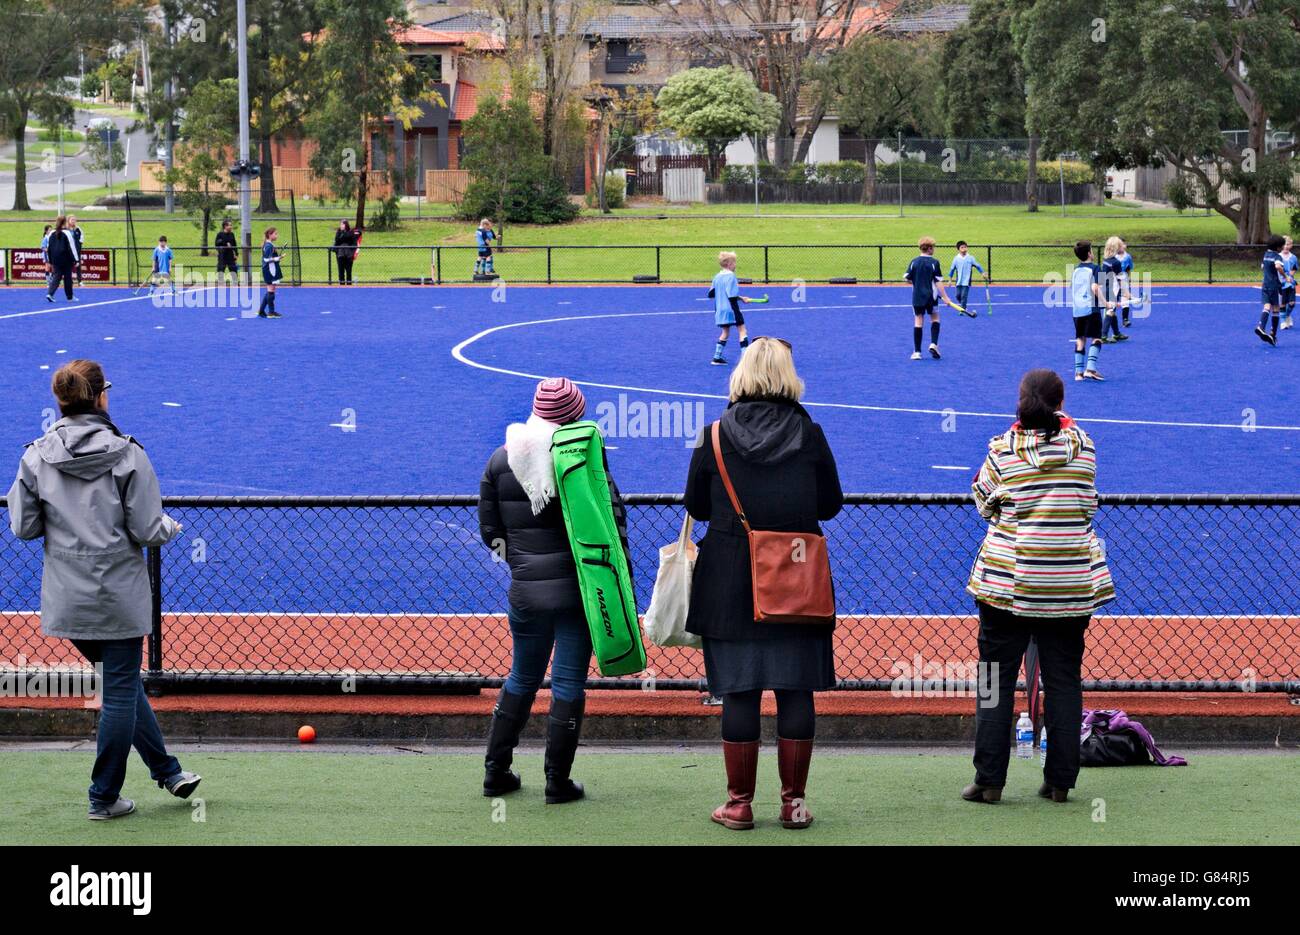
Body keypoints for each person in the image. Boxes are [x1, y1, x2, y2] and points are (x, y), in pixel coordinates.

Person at [6, 360, 200, 820]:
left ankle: (167, 770)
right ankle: (103, 796)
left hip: (68, 595)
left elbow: (23, 526)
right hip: (117, 592)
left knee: (122, 684)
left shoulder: (35, 454)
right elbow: (149, 527)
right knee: (117, 693)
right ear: (99, 397)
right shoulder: (127, 454)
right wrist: (170, 528)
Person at [684, 338, 844, 831]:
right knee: (796, 692)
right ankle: (793, 804)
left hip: (730, 579)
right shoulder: (810, 434)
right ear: (788, 375)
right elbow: (830, 504)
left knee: (738, 693)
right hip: (796, 577)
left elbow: (696, 506)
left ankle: (739, 804)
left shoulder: (713, 436)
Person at [962, 369, 1114, 805]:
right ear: (1061, 402)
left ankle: (989, 779)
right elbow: (1088, 502)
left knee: (994, 679)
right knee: (1064, 680)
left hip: (1007, 583)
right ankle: (1060, 782)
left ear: (1021, 400)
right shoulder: (1084, 447)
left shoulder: (1002, 450)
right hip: (1068, 581)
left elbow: (983, 500)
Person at [477, 377, 630, 805]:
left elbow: (491, 533)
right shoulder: (582, 459)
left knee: (521, 677)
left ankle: (496, 772)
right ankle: (556, 782)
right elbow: (611, 524)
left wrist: (521, 564)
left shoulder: (501, 459)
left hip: (526, 591)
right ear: (573, 416)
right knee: (567, 684)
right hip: (579, 593)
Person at [905, 236, 956, 360]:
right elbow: (938, 282)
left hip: (917, 297)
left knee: (918, 321)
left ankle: (917, 352)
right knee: (935, 318)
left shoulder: (914, 262)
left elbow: (908, 279)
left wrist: (918, 283)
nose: (934, 249)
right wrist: (946, 298)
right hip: (931, 297)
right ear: (928, 249)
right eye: (933, 247)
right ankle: (933, 344)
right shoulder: (934, 262)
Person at [1069, 240, 1112, 381]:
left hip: (1077, 311)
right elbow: (1095, 288)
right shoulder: (1095, 268)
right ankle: (1090, 369)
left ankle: (1078, 373)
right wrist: (1106, 304)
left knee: (1080, 339)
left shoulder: (1075, 270)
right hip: (1091, 310)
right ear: (1089, 253)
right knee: (1097, 338)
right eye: (1092, 250)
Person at [709, 251, 754, 366]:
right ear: (729, 264)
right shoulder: (731, 277)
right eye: (734, 263)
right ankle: (745, 359)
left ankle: (717, 357)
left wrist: (741, 298)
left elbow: (711, 293)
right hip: (731, 308)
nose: (735, 265)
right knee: (742, 330)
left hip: (719, 310)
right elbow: (731, 295)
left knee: (725, 332)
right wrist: (740, 299)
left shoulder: (716, 277)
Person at [1256, 234, 1287, 346]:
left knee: (1266, 306)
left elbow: (1262, 267)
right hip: (1275, 286)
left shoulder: (1266, 255)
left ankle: (1261, 326)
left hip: (1265, 285)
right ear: (1278, 247)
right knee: (1276, 309)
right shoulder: (1277, 256)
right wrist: (1286, 276)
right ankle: (1273, 334)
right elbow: (1278, 266)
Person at [1099, 237, 1129, 343]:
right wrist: (1126, 293)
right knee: (1110, 312)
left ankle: (1116, 334)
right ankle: (1103, 335)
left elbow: (1102, 278)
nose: (1123, 247)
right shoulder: (1116, 263)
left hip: (1106, 289)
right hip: (1113, 291)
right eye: (1121, 245)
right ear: (1116, 247)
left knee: (1112, 311)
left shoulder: (1105, 261)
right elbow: (1120, 279)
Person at [45, 215, 79, 304]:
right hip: (66, 258)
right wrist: (76, 260)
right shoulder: (67, 233)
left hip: (55, 259)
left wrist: (50, 260)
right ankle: (70, 297)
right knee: (67, 277)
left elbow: (49, 248)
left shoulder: (51, 233)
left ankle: (50, 293)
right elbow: (72, 247)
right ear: (65, 223)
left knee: (56, 276)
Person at [947, 240, 984, 318]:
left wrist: (983, 273)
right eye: (962, 247)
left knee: (964, 296)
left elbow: (978, 266)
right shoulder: (956, 259)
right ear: (958, 249)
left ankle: (962, 310)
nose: (964, 249)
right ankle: (964, 307)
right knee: (958, 296)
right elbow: (952, 270)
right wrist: (950, 280)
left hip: (966, 282)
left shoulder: (970, 258)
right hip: (958, 281)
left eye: (965, 247)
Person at [256, 227, 283, 319]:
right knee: (271, 291)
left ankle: (262, 311)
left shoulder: (269, 245)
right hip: (270, 270)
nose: (277, 235)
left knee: (270, 291)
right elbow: (266, 259)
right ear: (270, 235)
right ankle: (271, 312)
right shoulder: (269, 246)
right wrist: (278, 258)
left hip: (269, 269)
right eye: (275, 234)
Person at [333, 220, 358, 285]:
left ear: (346, 225)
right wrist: (341, 233)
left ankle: (349, 286)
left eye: (342, 224)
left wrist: (351, 252)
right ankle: (341, 285)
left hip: (349, 255)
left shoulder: (351, 232)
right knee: (341, 271)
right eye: (340, 224)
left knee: (349, 271)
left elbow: (354, 243)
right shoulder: (338, 232)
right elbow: (336, 241)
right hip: (340, 254)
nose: (341, 226)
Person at [1279, 236, 1297, 331]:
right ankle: (1282, 322)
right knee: (1282, 303)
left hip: (1290, 284)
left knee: (1292, 303)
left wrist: (1290, 276)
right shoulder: (1278, 256)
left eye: (1288, 244)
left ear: (1291, 245)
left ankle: (1287, 316)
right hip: (1281, 284)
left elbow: (1294, 268)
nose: (1286, 246)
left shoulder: (1293, 257)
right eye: (1284, 244)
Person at [214, 219, 239, 284]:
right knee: (221, 270)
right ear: (225, 226)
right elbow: (217, 244)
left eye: (231, 225)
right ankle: (220, 283)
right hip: (222, 256)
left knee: (234, 270)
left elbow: (234, 244)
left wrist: (236, 253)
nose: (231, 227)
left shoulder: (232, 234)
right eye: (230, 225)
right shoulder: (220, 234)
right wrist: (225, 244)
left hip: (230, 256)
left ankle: (235, 283)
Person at [67, 215, 84, 283]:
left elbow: (81, 238)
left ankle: (80, 281)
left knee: (78, 266)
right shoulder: (66, 230)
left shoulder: (78, 229)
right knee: (68, 267)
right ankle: (69, 281)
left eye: (74, 220)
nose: (73, 221)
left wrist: (79, 245)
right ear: (68, 221)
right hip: (68, 252)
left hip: (76, 251)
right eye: (72, 220)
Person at [40, 224, 53, 291]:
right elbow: (43, 247)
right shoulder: (45, 238)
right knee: (47, 267)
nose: (51, 231)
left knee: (53, 268)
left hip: (53, 255)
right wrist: (48, 250)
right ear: (46, 231)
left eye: (51, 230)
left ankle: (52, 281)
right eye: (49, 230)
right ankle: (48, 282)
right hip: (47, 255)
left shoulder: (53, 237)